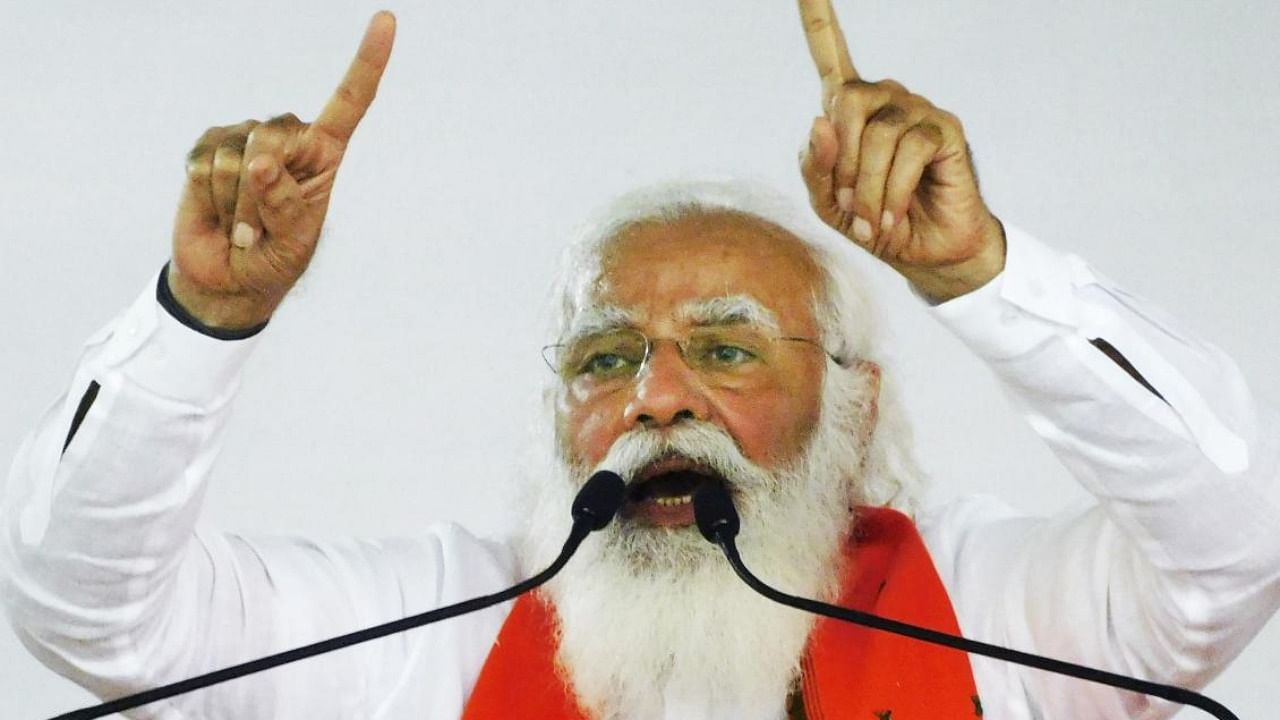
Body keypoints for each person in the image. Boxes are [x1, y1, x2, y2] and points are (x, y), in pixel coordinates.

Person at [3, 3, 1278, 719]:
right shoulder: (422, 639)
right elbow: (90, 616)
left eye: (723, 345)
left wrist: (980, 274)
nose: (654, 399)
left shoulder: (1007, 618)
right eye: (605, 356)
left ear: (852, 398)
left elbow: (1236, 534)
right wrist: (199, 319)